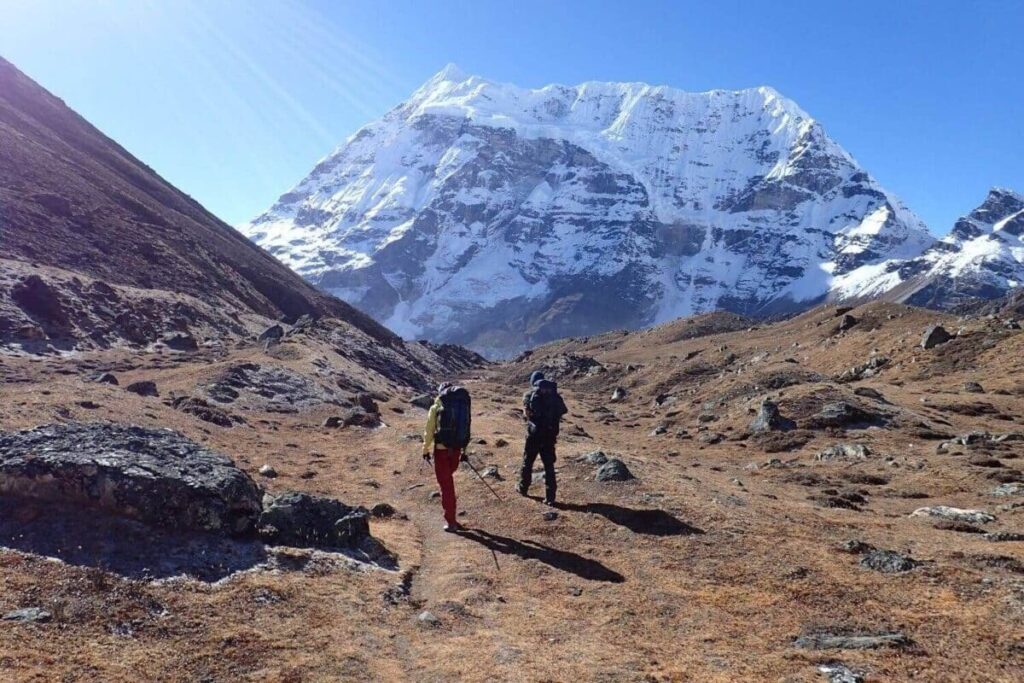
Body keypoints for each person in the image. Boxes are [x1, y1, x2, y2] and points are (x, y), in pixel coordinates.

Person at [422, 382, 472, 532]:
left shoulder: (436, 407)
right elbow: (467, 427)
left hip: (441, 451)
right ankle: (453, 516)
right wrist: (464, 450)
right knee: (448, 483)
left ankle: (451, 521)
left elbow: (429, 430)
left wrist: (425, 449)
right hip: (456, 450)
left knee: (446, 486)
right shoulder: (462, 405)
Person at [518, 371, 568, 505]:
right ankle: (550, 497)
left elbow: (526, 414)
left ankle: (523, 488)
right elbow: (564, 410)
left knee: (528, 462)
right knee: (549, 466)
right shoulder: (554, 396)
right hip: (549, 436)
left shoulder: (529, 395)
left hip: (533, 435)